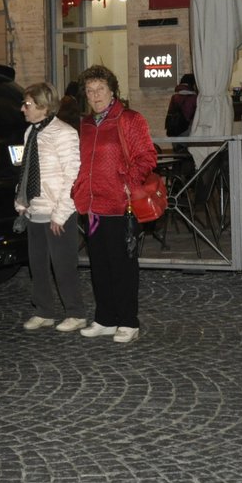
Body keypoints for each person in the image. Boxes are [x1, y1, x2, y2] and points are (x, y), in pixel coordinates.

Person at [71, 65, 155, 345]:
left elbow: (146, 156)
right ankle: (105, 318)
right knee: (99, 264)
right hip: (93, 207)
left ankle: (128, 321)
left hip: (120, 205)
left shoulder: (129, 119)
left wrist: (128, 183)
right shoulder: (84, 124)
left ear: (112, 91)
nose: (95, 95)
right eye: (90, 90)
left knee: (123, 264)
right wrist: (78, 189)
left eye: (100, 89)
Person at [15, 81, 85, 333]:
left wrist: (61, 213)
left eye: (28, 104)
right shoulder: (31, 132)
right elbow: (28, 169)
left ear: (43, 106)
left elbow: (73, 176)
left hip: (58, 211)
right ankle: (44, 310)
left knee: (63, 265)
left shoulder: (64, 133)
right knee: (38, 265)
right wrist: (22, 200)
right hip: (36, 209)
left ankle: (75, 312)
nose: (23, 108)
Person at [165, 73, 197, 138]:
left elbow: (170, 113)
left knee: (177, 146)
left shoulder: (175, 97)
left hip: (174, 130)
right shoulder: (194, 98)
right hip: (187, 130)